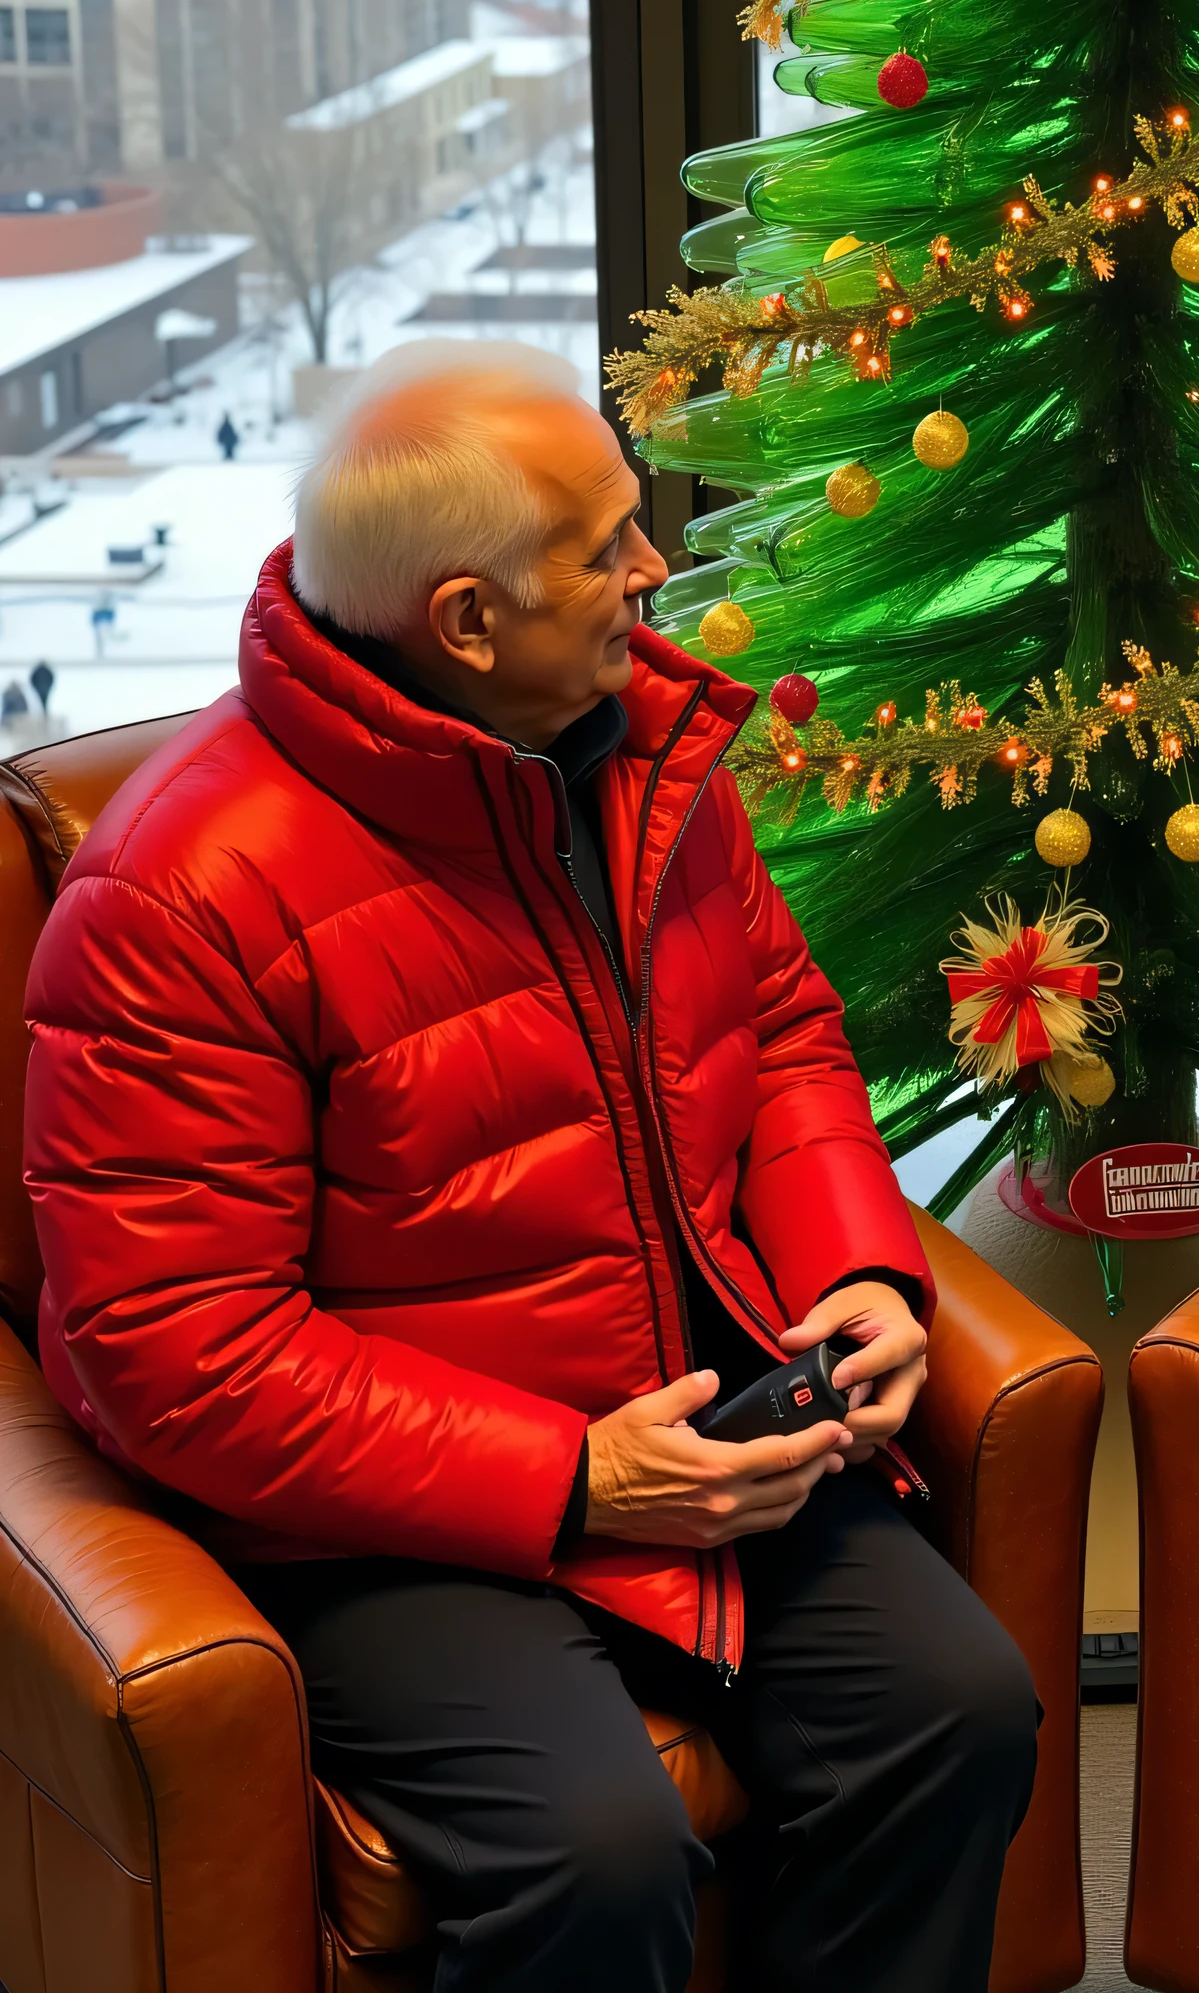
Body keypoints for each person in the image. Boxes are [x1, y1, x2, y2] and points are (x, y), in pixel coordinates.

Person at [24, 342, 1037, 1993]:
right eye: (608, 545)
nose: (657, 570)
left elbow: (777, 1032)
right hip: (381, 1514)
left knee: (962, 1718)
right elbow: (174, 1351)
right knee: (595, 1854)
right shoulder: (177, 895)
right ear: (465, 621)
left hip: (697, 1418)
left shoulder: (644, 754)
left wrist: (859, 1266)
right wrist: (573, 1481)